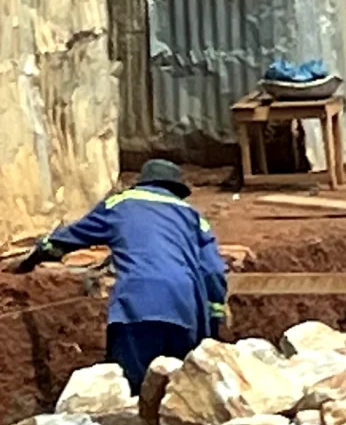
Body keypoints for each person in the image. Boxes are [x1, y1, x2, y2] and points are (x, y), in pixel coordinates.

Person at [14, 159, 231, 391]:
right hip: (184, 310)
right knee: (179, 393)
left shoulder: (121, 203)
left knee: (130, 391)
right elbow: (213, 271)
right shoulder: (193, 216)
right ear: (176, 189)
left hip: (136, 308)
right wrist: (213, 319)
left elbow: (69, 237)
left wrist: (34, 257)